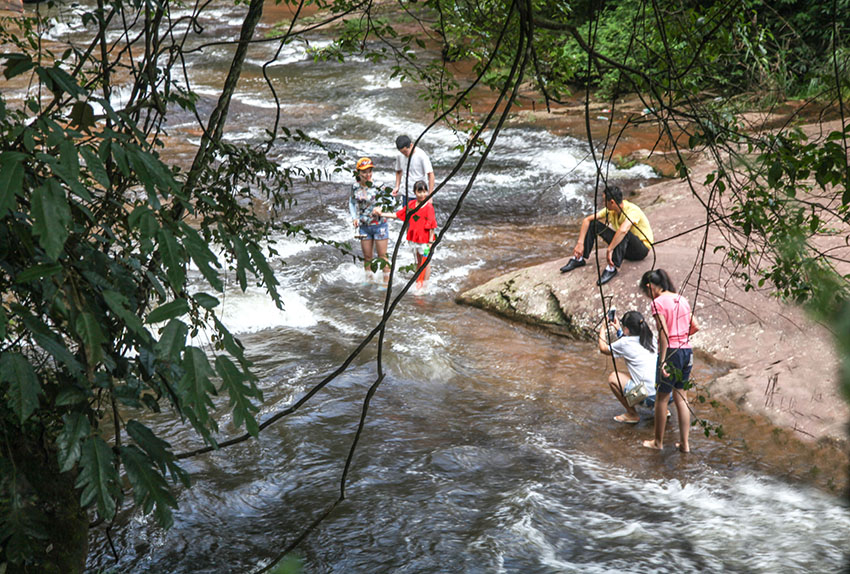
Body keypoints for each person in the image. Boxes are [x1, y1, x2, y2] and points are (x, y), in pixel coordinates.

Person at [639, 269, 700, 453]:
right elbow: (695, 326)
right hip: (686, 351)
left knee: (661, 399)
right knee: (681, 396)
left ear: (650, 287)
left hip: (671, 352)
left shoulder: (658, 303)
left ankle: (657, 442)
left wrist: (664, 360)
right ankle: (685, 444)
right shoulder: (681, 299)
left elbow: (663, 332)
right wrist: (681, 337)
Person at [559, 185, 653, 285]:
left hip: (639, 250)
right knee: (593, 224)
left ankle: (612, 268)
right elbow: (587, 220)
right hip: (624, 247)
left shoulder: (633, 210)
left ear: (612, 201)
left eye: (604, 201)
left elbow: (623, 230)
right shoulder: (611, 210)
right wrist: (580, 243)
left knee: (624, 232)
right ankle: (579, 258)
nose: (603, 203)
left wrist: (610, 249)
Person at [374, 180, 437, 289]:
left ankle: (425, 285)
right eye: (419, 192)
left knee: (426, 262)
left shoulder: (428, 207)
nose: (422, 195)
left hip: (426, 239)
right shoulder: (411, 205)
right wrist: (382, 214)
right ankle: (419, 282)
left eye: (424, 192)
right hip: (415, 237)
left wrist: (430, 242)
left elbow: (432, 226)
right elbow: (397, 215)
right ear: (414, 192)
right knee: (418, 260)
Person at [598, 310, 658, 424]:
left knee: (613, 378)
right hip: (666, 395)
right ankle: (662, 410)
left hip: (649, 397)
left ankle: (632, 414)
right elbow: (631, 342)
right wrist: (619, 330)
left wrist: (603, 328)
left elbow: (603, 348)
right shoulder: (651, 338)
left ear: (627, 329)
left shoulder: (625, 343)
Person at [349, 157, 390, 288]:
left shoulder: (379, 186)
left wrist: (381, 208)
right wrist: (354, 217)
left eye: (370, 171)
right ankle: (369, 279)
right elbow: (352, 202)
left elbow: (391, 201)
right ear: (358, 172)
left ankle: (386, 283)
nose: (367, 175)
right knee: (367, 256)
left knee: (382, 256)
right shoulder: (355, 187)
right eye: (364, 172)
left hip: (379, 225)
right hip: (364, 227)